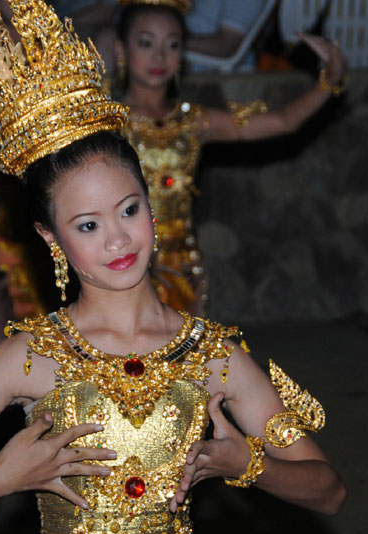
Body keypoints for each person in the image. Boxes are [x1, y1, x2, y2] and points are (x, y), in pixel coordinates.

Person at [0, 1, 345, 534]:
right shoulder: (31, 356)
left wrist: (248, 466)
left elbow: (328, 490)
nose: (118, 239)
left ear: (151, 206)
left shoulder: (211, 354)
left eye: (129, 210)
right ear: (50, 238)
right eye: (87, 226)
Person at [113, 0, 348, 315]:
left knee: (184, 357)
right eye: (146, 43)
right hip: (122, 258)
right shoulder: (107, 123)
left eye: (172, 45)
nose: (159, 56)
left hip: (180, 261)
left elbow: (282, 121)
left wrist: (328, 83)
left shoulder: (193, 121)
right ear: (121, 50)